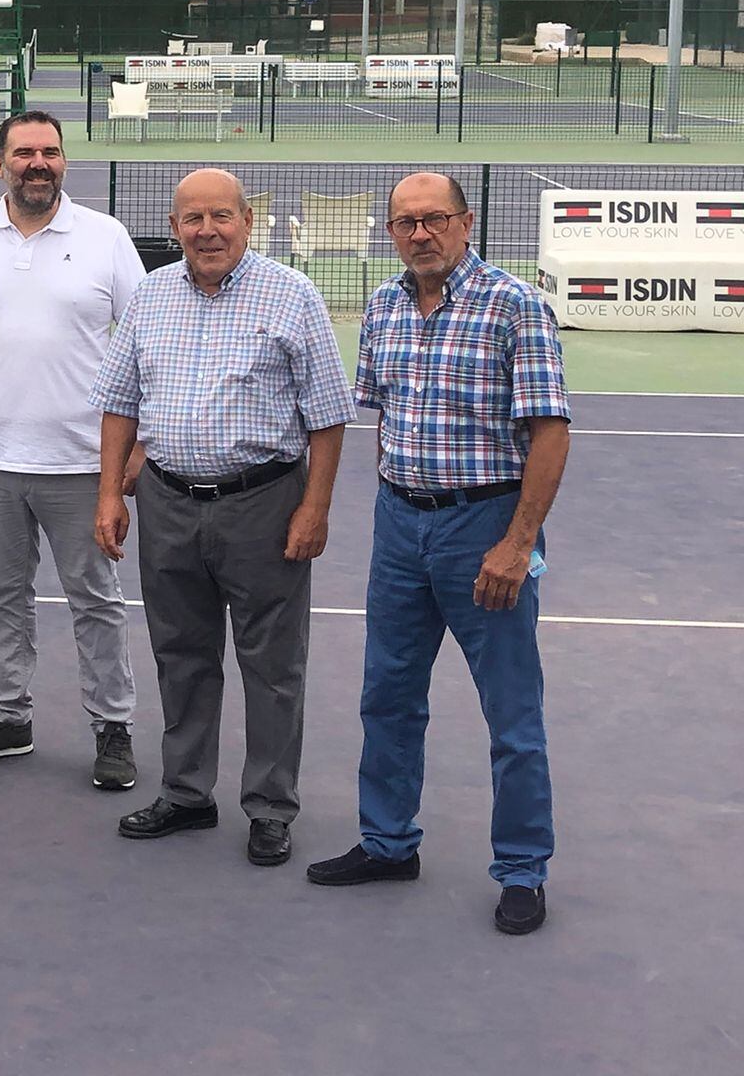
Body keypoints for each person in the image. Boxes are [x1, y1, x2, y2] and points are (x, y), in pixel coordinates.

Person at [307, 172, 571, 936]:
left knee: (511, 713)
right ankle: (388, 843)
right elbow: (384, 413)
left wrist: (517, 543)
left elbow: (550, 431)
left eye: (434, 219)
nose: (419, 233)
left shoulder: (514, 306)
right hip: (400, 526)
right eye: (404, 222)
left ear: (466, 222)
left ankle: (522, 869)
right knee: (387, 695)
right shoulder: (385, 305)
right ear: (390, 232)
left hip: (482, 528)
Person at [91, 168, 350, 866]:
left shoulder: (293, 295)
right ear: (174, 229)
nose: (207, 231)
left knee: (272, 666)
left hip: (264, 505)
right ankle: (185, 793)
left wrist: (314, 508)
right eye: (193, 219)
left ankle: (269, 806)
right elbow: (118, 401)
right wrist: (111, 492)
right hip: (168, 503)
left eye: (221, 217)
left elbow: (328, 418)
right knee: (181, 657)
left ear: (247, 221)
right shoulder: (149, 297)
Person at [0, 110, 144, 789]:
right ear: (0, 164)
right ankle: (9, 715)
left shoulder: (106, 238)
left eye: (50, 152)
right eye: (24, 152)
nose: (38, 163)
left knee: (96, 600)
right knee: (2, 594)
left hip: (84, 465)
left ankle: (113, 727)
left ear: (63, 163)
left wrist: (135, 450)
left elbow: (146, 347)